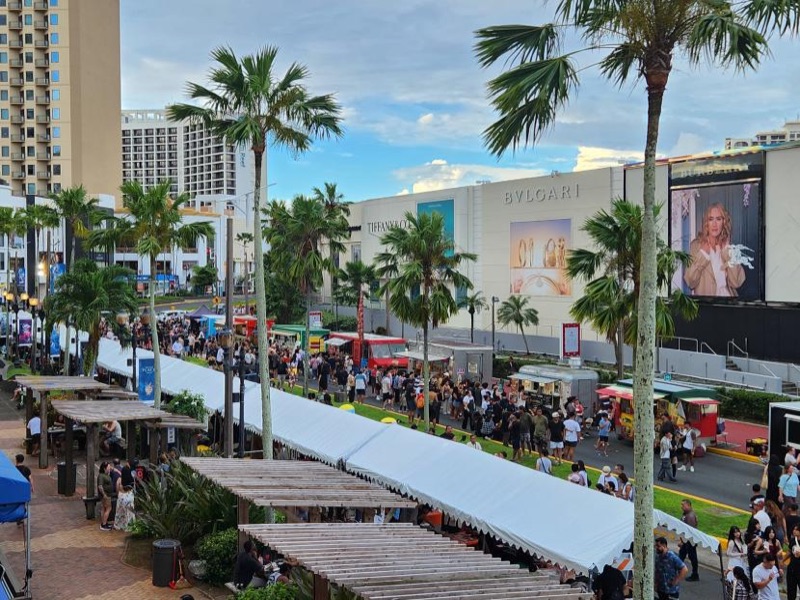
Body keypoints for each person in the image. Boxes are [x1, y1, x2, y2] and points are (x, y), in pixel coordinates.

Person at [683, 202, 745, 297]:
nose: (714, 224)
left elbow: (736, 282)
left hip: (729, 301)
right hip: (707, 304)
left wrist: (728, 253)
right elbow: (690, 282)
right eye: (711, 219)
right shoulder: (696, 246)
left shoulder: (728, 246)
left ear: (724, 222)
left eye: (718, 219)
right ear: (706, 223)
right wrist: (703, 254)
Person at [654, 536, 688, 600]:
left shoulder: (672, 557)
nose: (656, 548)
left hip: (671, 591)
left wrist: (676, 580)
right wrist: (656, 584)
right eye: (655, 546)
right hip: (661, 590)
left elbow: (684, 569)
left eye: (658, 546)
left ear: (664, 546)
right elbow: (657, 571)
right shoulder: (658, 557)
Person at [678, 499, 699, 581]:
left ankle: (695, 574)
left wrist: (683, 541)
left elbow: (689, 531)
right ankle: (678, 571)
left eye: (683, 505)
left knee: (692, 557)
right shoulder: (686, 514)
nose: (681, 507)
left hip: (690, 541)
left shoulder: (690, 516)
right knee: (681, 555)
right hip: (686, 541)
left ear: (688, 505)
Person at [97, 461, 114, 531]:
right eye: (108, 467)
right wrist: (104, 494)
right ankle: (103, 524)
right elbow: (100, 486)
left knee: (104, 508)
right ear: (104, 468)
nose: (109, 468)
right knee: (108, 508)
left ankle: (104, 522)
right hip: (106, 495)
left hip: (107, 494)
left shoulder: (106, 474)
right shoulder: (101, 476)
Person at [786, 523, 800, 600]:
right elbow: (789, 551)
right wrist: (782, 560)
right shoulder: (792, 540)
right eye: (794, 529)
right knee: (791, 591)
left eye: (796, 529)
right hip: (792, 569)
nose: (794, 531)